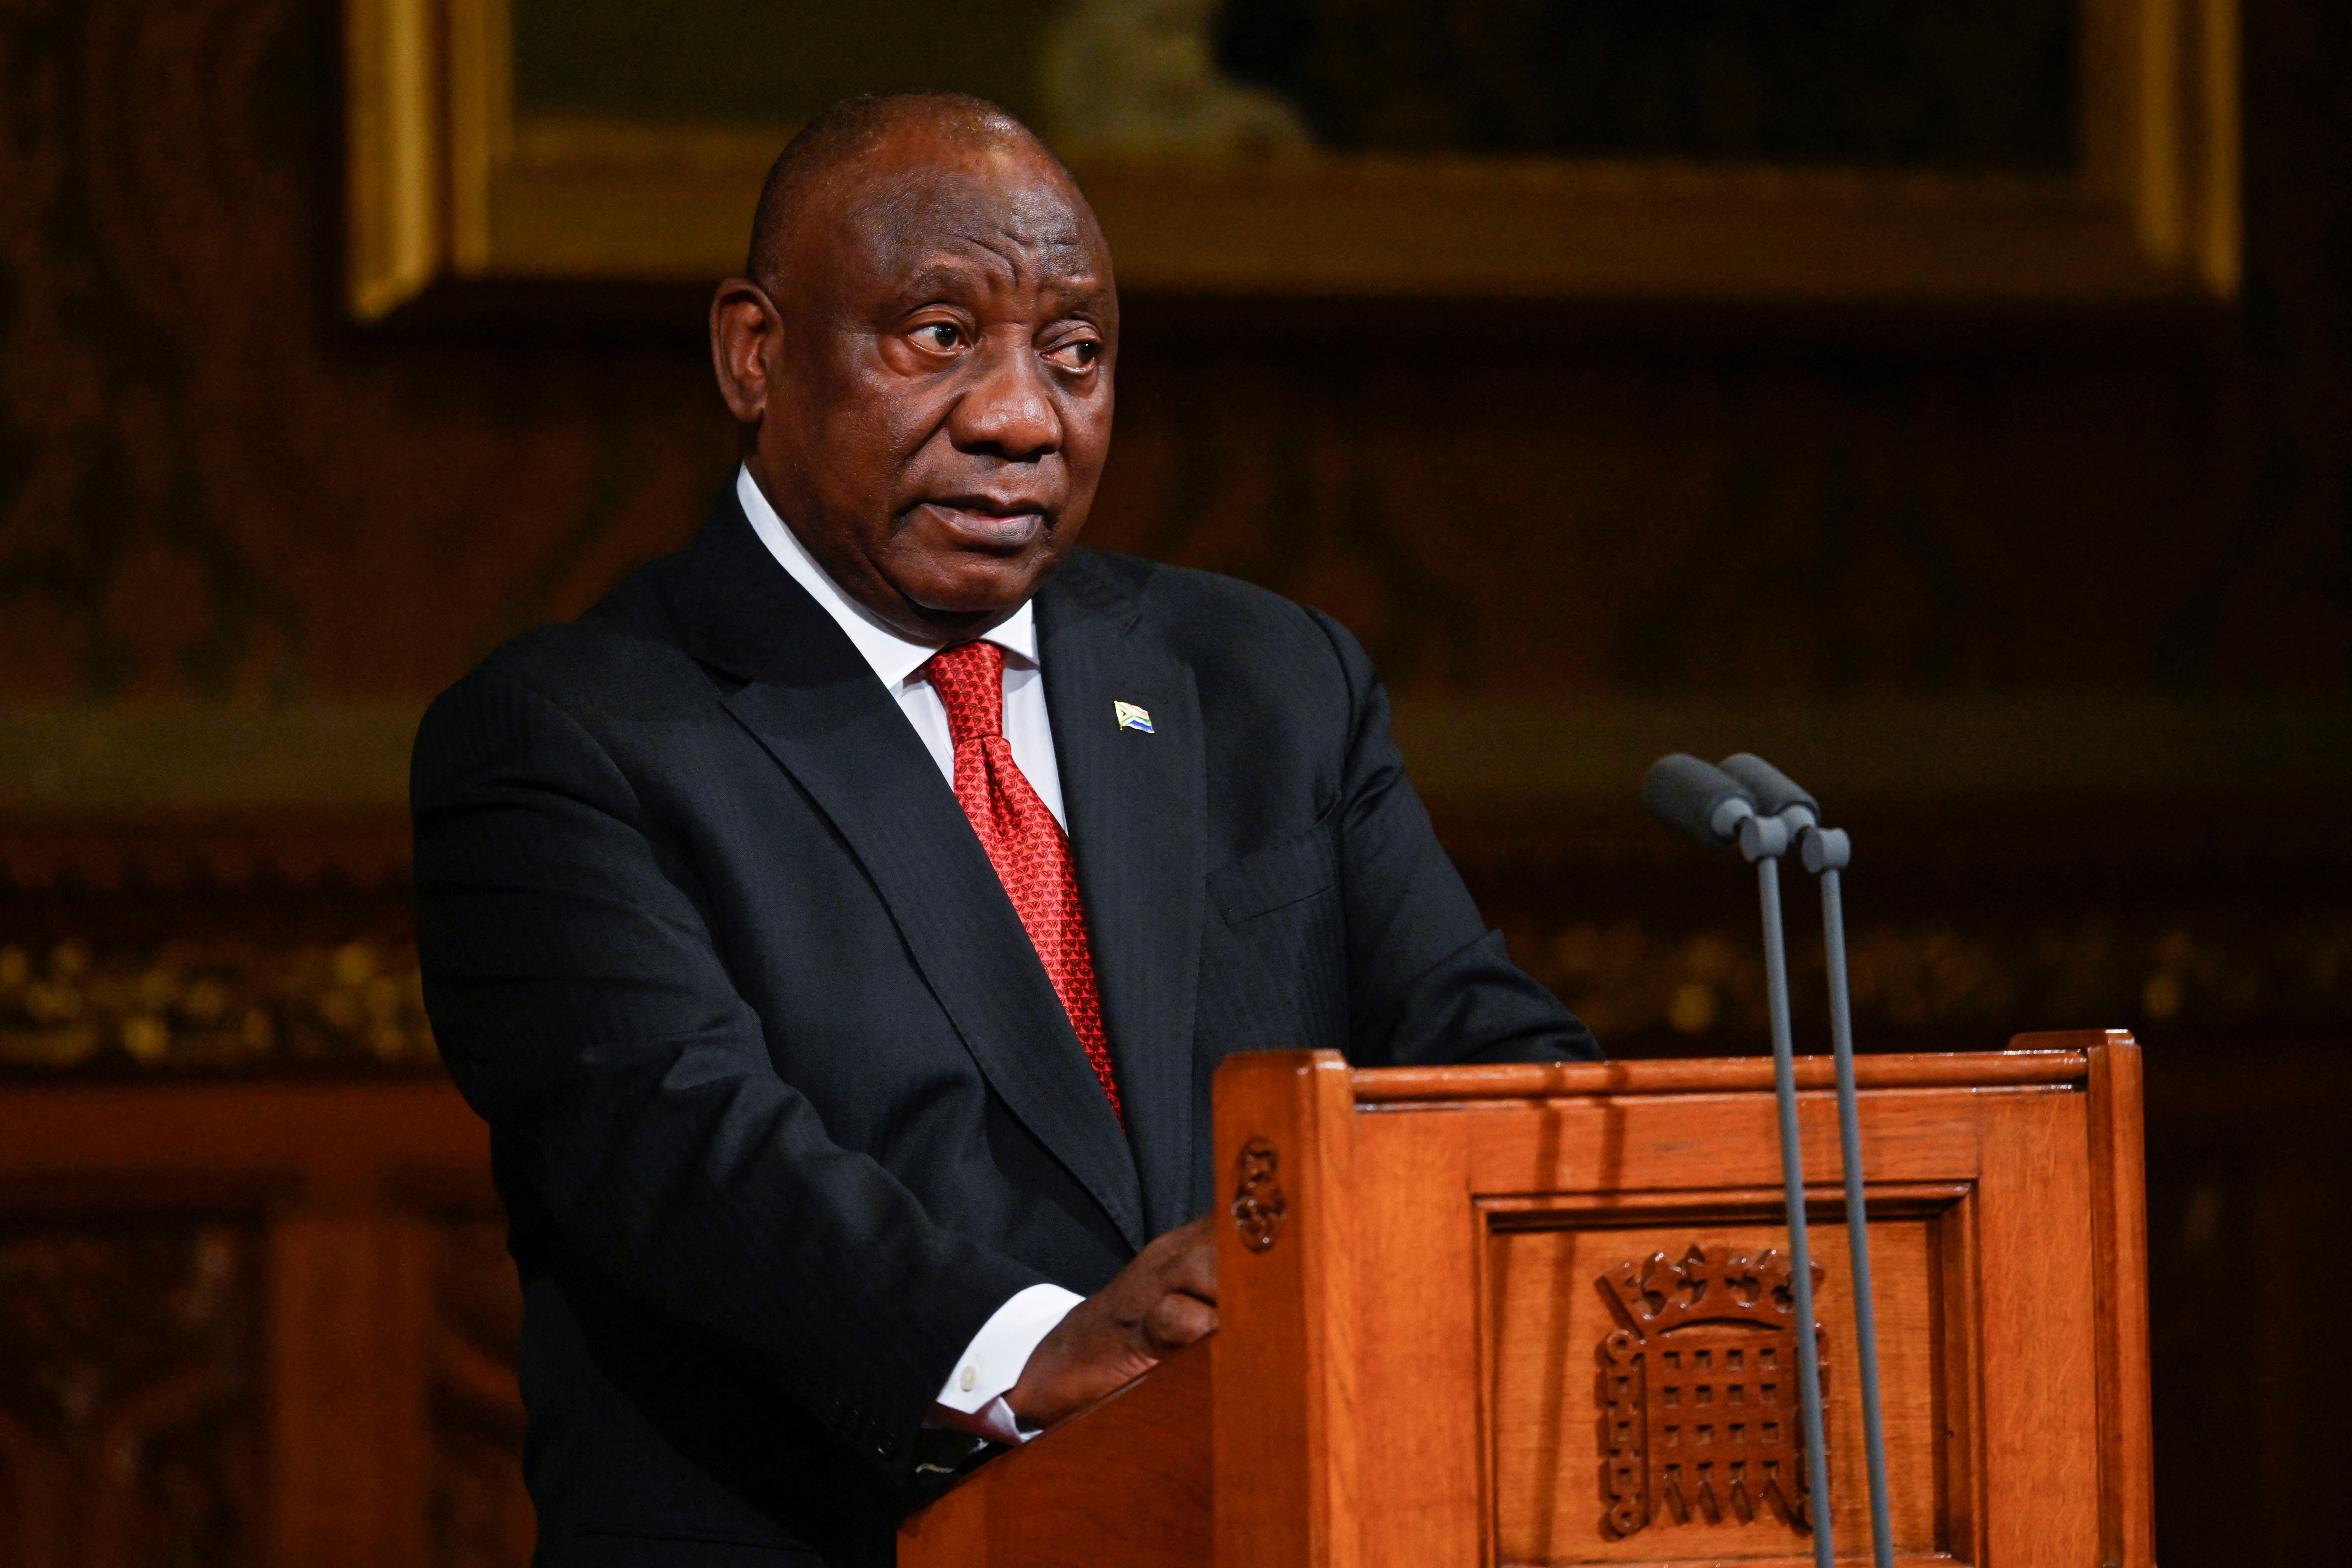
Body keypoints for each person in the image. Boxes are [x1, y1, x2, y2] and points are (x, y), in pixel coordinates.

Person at [411, 90, 1598, 1568]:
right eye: (938, 335)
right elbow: (690, 1153)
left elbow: (1478, 1057)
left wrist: (1615, 1199)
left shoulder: (1268, 682)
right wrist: (1030, 1347)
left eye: (1075, 352)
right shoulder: (571, 739)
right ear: (756, 353)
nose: (1022, 417)